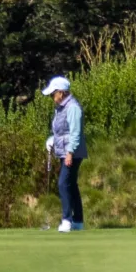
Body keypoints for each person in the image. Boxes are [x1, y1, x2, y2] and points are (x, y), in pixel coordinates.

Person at [42, 75, 86, 231]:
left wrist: (69, 153)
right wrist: (52, 139)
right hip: (65, 151)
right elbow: (61, 131)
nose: (52, 97)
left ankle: (67, 220)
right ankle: (78, 222)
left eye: (54, 93)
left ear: (61, 92)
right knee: (71, 185)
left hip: (72, 152)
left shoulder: (72, 107)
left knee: (62, 183)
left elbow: (75, 132)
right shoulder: (61, 108)